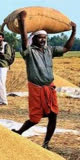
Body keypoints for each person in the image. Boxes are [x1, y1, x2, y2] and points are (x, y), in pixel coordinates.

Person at [12, 11, 77, 149]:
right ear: (34, 39)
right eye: (39, 38)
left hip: (49, 88)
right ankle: (19, 132)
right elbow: (24, 42)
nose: (42, 40)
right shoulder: (29, 52)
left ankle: (46, 144)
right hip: (36, 88)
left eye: (44, 38)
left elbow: (66, 48)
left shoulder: (50, 50)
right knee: (35, 118)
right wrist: (23, 21)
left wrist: (74, 31)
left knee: (53, 115)